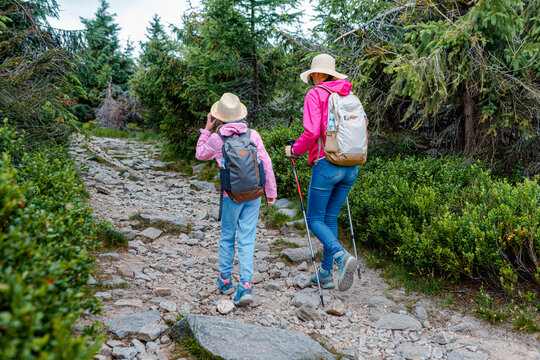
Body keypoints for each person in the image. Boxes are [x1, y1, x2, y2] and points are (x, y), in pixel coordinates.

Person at [285, 54, 359, 292]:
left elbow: (311, 131)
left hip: (326, 163)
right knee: (329, 219)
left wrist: (294, 150)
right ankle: (326, 274)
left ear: (317, 74)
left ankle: (340, 256)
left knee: (314, 219)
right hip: (351, 166)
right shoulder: (347, 94)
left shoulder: (315, 94)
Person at [196, 92, 277, 306]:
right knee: (247, 238)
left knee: (227, 236)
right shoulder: (253, 135)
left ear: (219, 117)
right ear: (240, 115)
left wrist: (207, 129)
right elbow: (266, 163)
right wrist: (270, 192)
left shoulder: (217, 138)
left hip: (231, 195)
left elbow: (199, 154)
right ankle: (246, 286)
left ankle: (225, 281)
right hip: (254, 193)